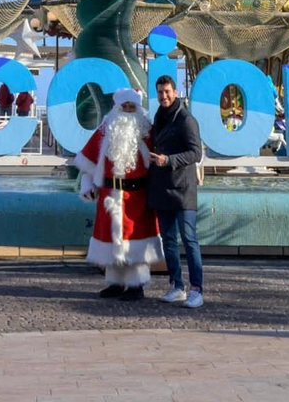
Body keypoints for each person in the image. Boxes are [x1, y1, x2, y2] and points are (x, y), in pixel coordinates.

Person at [69, 88, 162, 301]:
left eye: (132, 107)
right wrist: (87, 185)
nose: (128, 111)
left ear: (138, 108)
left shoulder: (148, 132)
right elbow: (88, 162)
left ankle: (136, 285)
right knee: (111, 241)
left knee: (136, 241)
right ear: (117, 108)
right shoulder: (105, 130)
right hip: (110, 195)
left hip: (138, 196)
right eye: (125, 107)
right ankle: (115, 283)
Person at [147, 75, 205, 309]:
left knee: (189, 240)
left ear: (176, 91)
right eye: (160, 92)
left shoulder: (186, 119)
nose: (164, 96)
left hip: (183, 189)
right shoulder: (159, 116)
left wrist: (168, 160)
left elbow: (195, 153)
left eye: (167, 91)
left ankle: (197, 289)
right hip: (162, 188)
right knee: (168, 240)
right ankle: (177, 286)